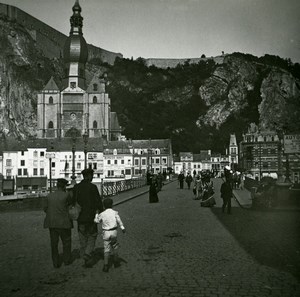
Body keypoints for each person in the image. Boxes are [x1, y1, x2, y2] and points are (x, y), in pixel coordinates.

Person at [73, 168, 103, 267]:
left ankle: (85, 257)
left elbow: (73, 202)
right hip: (90, 217)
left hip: (80, 217)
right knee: (93, 235)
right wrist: (101, 212)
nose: (93, 177)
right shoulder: (93, 187)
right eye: (92, 175)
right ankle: (87, 253)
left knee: (82, 237)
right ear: (89, 176)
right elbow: (98, 202)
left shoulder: (76, 187)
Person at [43, 178, 73, 268]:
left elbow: (45, 209)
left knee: (54, 243)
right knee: (66, 242)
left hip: (52, 223)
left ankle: (55, 262)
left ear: (57, 186)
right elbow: (71, 206)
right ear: (64, 186)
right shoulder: (67, 195)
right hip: (64, 223)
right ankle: (67, 260)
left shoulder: (49, 196)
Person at [94, 198, 126, 272]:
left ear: (104, 206)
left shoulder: (102, 214)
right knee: (115, 245)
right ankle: (116, 261)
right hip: (114, 231)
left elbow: (96, 221)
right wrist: (122, 228)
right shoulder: (115, 212)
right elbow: (119, 221)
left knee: (106, 248)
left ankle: (106, 265)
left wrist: (96, 214)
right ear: (112, 204)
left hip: (106, 232)